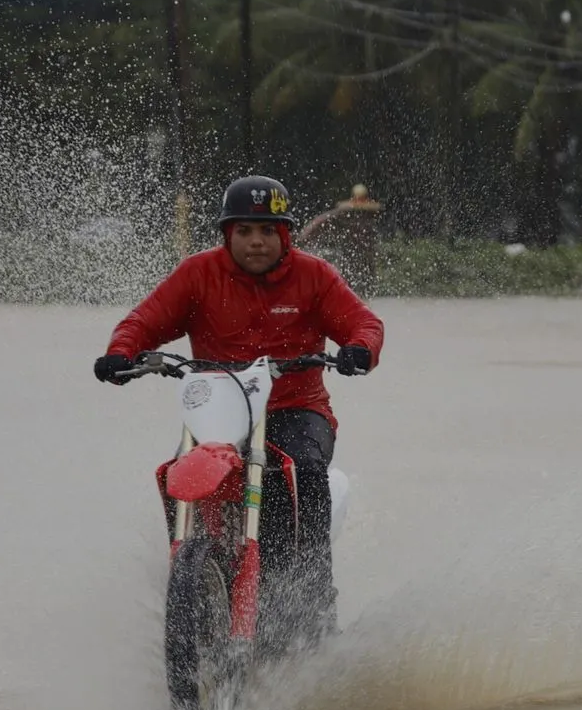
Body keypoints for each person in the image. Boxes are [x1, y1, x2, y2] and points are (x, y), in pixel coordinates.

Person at [93, 174, 384, 653]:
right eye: (245, 230)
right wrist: (122, 352)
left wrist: (358, 349)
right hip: (218, 410)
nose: (256, 241)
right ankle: (190, 586)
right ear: (227, 234)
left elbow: (363, 323)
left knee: (304, 472)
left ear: (285, 235)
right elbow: (144, 321)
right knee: (176, 475)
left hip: (296, 408)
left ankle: (311, 600)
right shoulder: (197, 273)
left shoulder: (315, 276)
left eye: (268, 231)